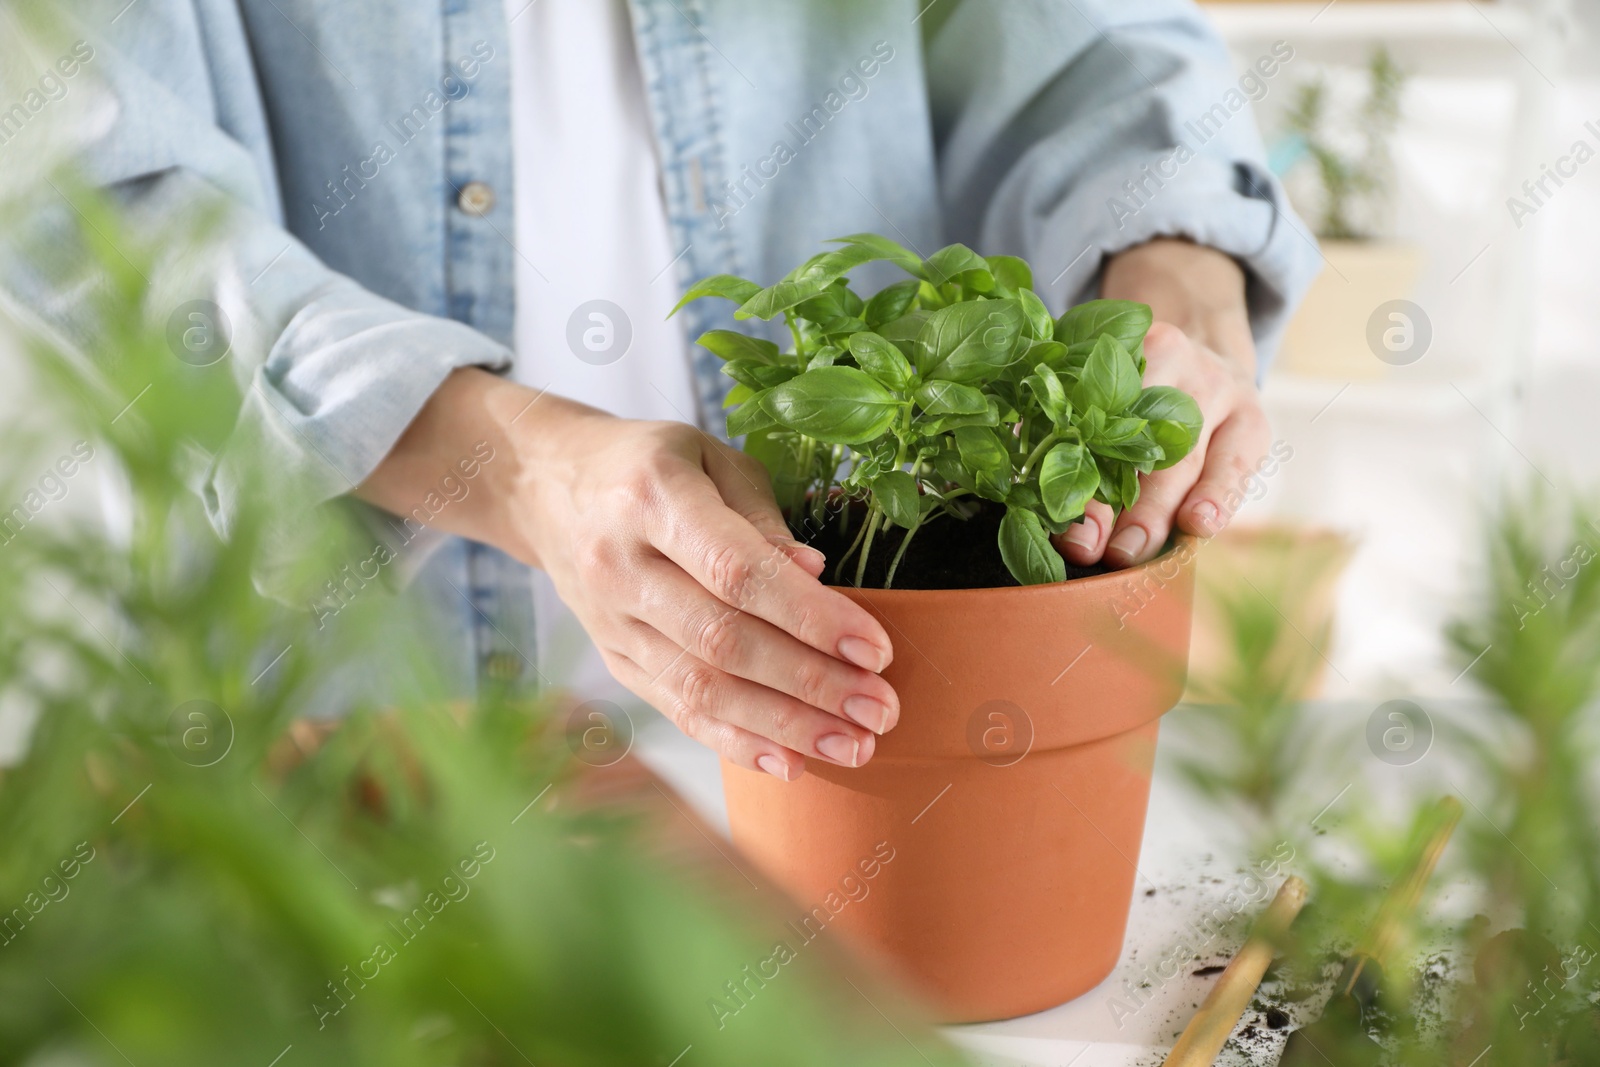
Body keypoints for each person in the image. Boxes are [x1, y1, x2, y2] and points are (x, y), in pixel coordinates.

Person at [12, 0, 1316, 781]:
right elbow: (84, 180)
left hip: (868, 742)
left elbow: (1090, 40)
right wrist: (514, 466)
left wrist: (1176, 270)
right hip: (354, 706)